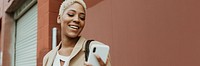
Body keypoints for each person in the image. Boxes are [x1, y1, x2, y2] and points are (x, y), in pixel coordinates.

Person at [42, 0, 111, 66]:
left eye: (82, 17)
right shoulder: (48, 58)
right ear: (59, 18)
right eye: (71, 14)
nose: (77, 20)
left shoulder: (95, 50)